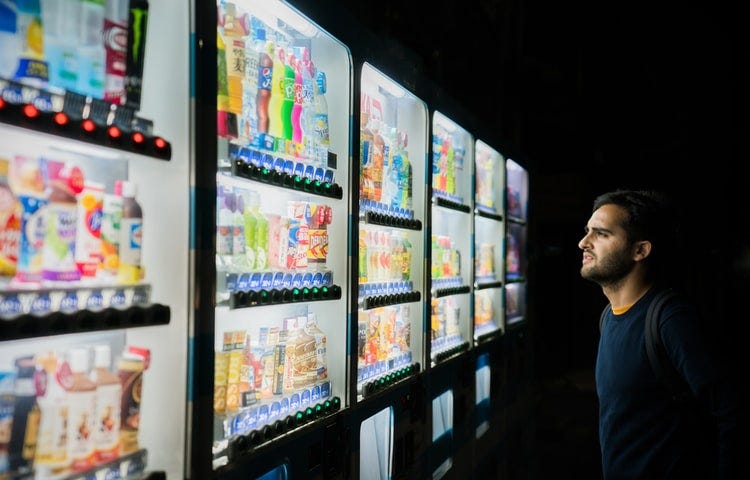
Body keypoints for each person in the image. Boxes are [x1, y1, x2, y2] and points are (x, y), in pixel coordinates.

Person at [578, 189, 745, 479]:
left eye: (601, 234)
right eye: (587, 232)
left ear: (640, 250)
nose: (584, 243)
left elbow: (733, 412)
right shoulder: (609, 316)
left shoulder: (671, 319)